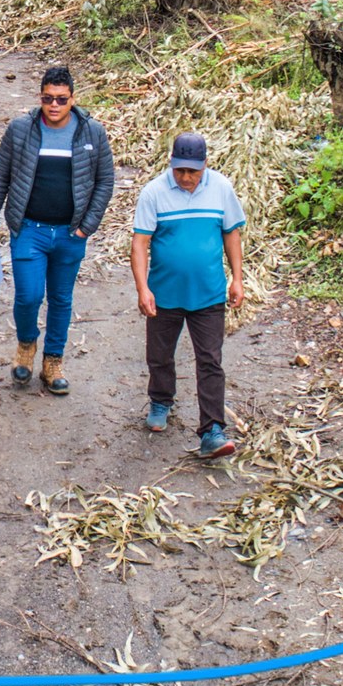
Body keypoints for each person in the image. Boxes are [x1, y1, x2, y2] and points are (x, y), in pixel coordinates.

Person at [0, 66, 115, 395]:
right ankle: (26, 345)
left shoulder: (91, 133)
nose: (54, 105)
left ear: (72, 100)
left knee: (61, 299)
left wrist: (86, 228)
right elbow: (0, 177)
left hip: (70, 234)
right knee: (28, 296)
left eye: (61, 99)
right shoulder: (21, 130)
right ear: (40, 98)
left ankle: (53, 361)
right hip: (29, 230)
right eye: (47, 99)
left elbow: (105, 181)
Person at [131, 132, 247, 460]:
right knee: (160, 354)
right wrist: (143, 288)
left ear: (205, 165)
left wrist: (237, 279)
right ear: (171, 164)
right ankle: (160, 399)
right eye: (180, 170)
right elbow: (140, 243)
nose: (185, 177)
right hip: (165, 292)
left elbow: (231, 234)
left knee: (210, 360)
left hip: (209, 293)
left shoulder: (221, 189)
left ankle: (212, 429)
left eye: (192, 171)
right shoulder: (153, 192)